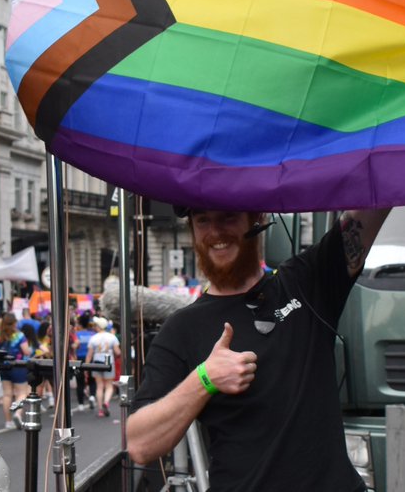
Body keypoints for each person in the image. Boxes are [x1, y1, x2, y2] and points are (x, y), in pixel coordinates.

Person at [126, 208, 388, 491]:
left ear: (258, 219)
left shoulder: (305, 282)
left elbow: (374, 200)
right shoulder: (182, 329)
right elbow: (140, 444)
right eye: (203, 220)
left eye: (228, 216)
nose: (215, 232)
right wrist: (205, 379)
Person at [0, 312, 32, 429]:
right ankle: (17, 413)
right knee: (22, 393)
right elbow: (26, 351)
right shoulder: (20, 336)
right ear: (15, 322)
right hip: (18, 366)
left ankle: (8, 421)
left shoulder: (0, 336)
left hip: (4, 367)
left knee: (7, 394)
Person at [85, 317, 121, 418]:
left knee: (99, 386)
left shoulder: (93, 338)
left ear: (98, 326)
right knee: (109, 386)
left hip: (97, 362)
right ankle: (106, 402)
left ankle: (100, 409)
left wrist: (86, 367)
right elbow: (118, 352)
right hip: (109, 362)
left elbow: (89, 355)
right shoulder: (112, 337)